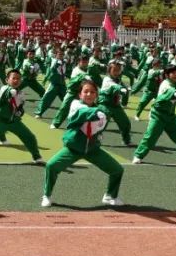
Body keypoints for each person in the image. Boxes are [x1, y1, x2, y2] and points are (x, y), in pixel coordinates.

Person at [42, 80, 125, 208]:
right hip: (73, 148)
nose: (89, 94)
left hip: (92, 149)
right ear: (80, 94)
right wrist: (97, 113)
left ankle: (110, 196)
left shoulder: (101, 109)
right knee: (51, 166)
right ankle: (47, 195)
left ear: (96, 95)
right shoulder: (76, 105)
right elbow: (82, 113)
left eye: (92, 92)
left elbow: (101, 120)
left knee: (117, 170)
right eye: (85, 91)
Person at [132, 64, 176, 165]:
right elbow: (167, 92)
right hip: (158, 115)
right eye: (173, 73)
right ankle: (138, 155)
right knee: (150, 137)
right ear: (167, 75)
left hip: (170, 117)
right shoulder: (165, 84)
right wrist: (174, 93)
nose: (175, 75)